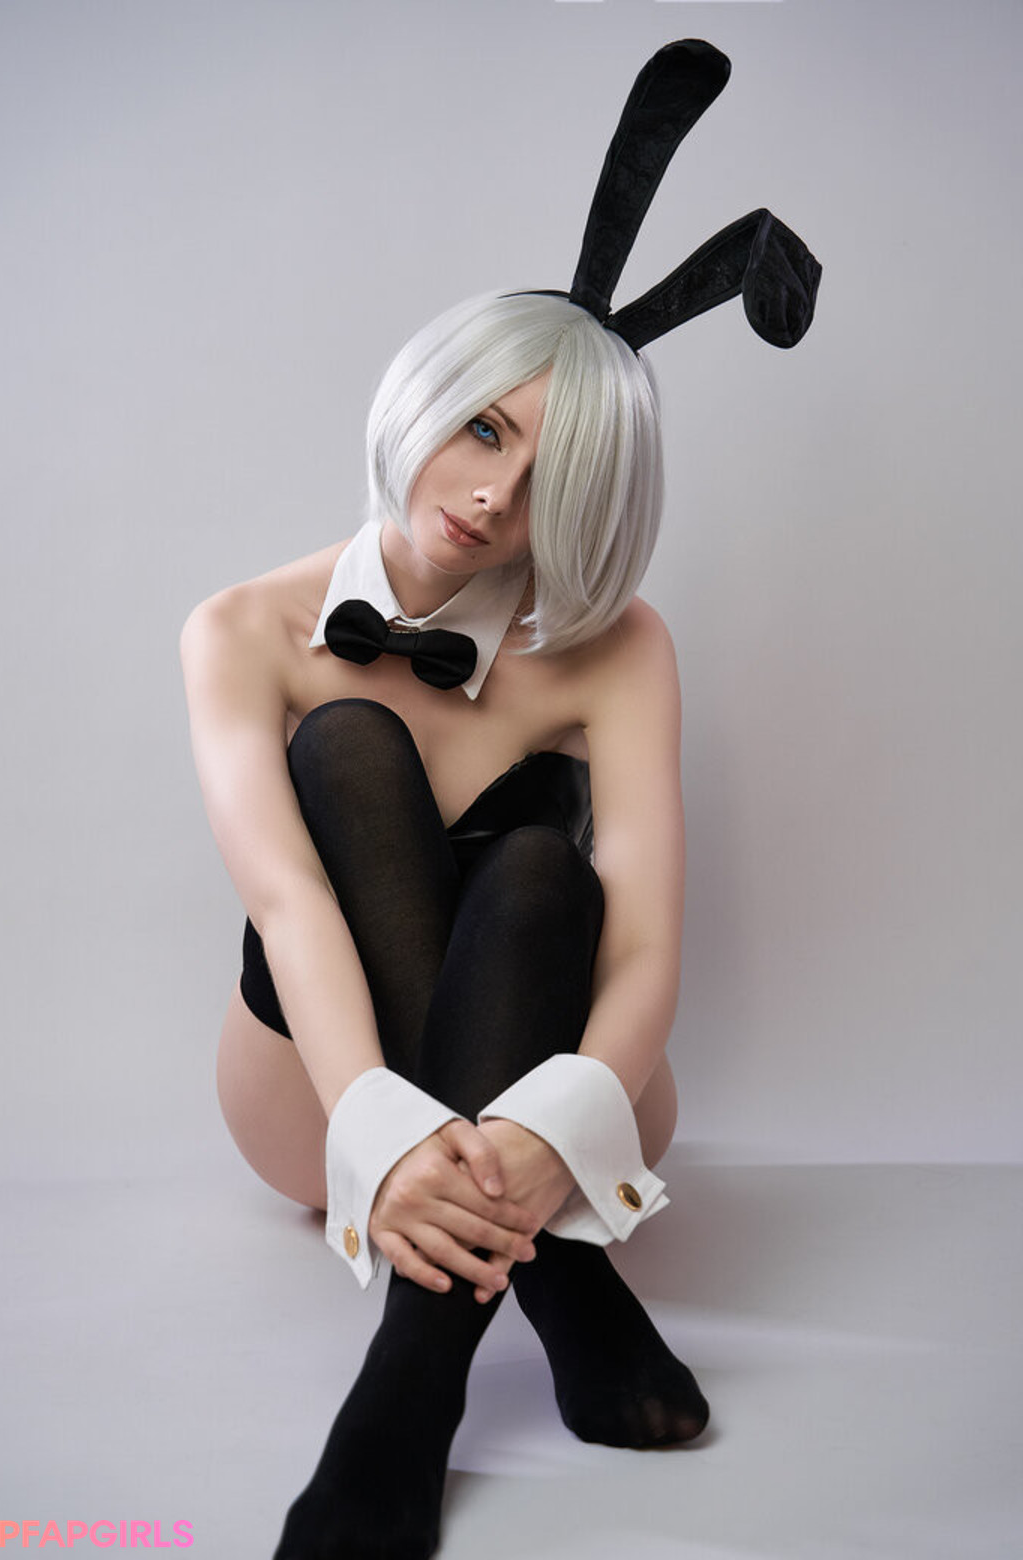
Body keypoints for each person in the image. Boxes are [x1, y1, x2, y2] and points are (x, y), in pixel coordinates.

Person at [180, 42, 819, 1560]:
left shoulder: (622, 647)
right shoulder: (240, 631)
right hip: (316, 1099)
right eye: (487, 430)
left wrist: (554, 1127)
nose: (492, 497)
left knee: (539, 875)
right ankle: (567, 1285)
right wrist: (388, 1132)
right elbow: (287, 904)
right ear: (433, 392)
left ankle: (406, 1391)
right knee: (349, 750)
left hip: (576, 1090)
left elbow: (643, 940)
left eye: (551, 478)